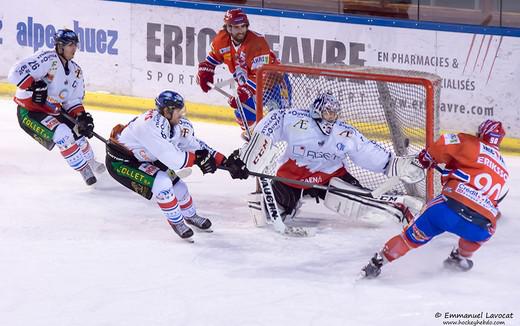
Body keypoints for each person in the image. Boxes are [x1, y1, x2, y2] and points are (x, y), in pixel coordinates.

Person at [227, 91, 424, 223]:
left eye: (334, 113)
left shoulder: (343, 132)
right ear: (318, 109)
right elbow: (271, 123)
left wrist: (393, 164)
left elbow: (366, 151)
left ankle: (399, 208)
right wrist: (250, 154)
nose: (332, 116)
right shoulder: (294, 119)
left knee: (358, 202)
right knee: (265, 215)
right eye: (328, 112)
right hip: (291, 178)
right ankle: (290, 203)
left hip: (331, 176)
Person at [360, 119, 509, 278]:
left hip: (446, 210)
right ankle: (460, 258)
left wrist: (426, 158)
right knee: (479, 234)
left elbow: (443, 144)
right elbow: (496, 204)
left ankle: (376, 264)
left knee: (408, 240)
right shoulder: (505, 170)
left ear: (480, 133)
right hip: (481, 226)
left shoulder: (471, 143)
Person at [105, 90, 245, 241]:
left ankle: (190, 216)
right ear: (167, 111)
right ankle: (176, 222)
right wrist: (197, 159)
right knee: (163, 183)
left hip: (148, 157)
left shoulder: (176, 124)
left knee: (180, 187)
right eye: (179, 111)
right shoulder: (149, 125)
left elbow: (194, 145)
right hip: (122, 162)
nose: (182, 114)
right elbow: (173, 160)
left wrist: (223, 161)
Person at [7, 29, 104, 185]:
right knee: (63, 134)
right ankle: (85, 170)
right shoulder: (48, 59)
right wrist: (33, 85)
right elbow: (14, 73)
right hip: (30, 111)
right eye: (70, 45)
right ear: (60, 46)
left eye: (75, 45)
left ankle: (92, 163)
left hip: (52, 110)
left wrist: (81, 117)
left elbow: (72, 100)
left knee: (79, 133)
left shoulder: (76, 71)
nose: (74, 48)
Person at [197, 8, 290, 136]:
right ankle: (255, 139)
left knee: (280, 122)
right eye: (236, 27)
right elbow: (212, 59)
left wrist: (244, 92)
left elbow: (261, 75)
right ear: (228, 28)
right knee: (244, 116)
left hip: (274, 84)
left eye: (243, 26)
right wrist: (205, 70)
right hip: (250, 86)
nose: (241, 30)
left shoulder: (257, 43)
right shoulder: (221, 40)